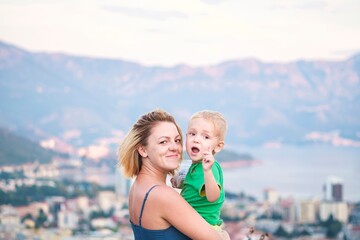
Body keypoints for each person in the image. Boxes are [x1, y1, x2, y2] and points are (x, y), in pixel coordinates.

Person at [117, 109, 230, 240]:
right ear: (143, 149)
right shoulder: (161, 195)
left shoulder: (138, 187)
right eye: (163, 142)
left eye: (177, 140)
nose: (174, 147)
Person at [171, 110, 227, 231]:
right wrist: (180, 183)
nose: (196, 140)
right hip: (193, 223)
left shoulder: (210, 168)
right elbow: (196, 188)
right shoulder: (196, 166)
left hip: (204, 227)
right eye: (192, 134)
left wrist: (208, 171)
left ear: (218, 146)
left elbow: (213, 196)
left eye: (206, 137)